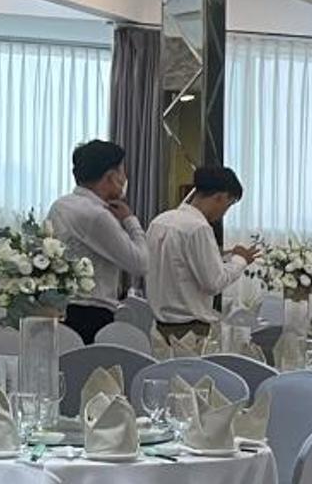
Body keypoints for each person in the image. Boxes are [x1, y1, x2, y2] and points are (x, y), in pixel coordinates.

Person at [46, 139, 150, 342]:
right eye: (122, 172)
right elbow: (140, 264)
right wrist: (130, 220)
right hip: (92, 314)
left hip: (60, 308)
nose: (125, 178)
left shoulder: (60, 205)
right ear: (111, 176)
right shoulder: (96, 215)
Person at [144, 166, 259, 347]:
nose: (224, 213)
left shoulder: (160, 221)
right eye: (228, 205)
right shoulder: (198, 227)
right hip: (189, 331)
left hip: (158, 327)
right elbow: (214, 282)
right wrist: (240, 260)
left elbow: (178, 264)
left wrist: (223, 257)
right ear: (220, 197)